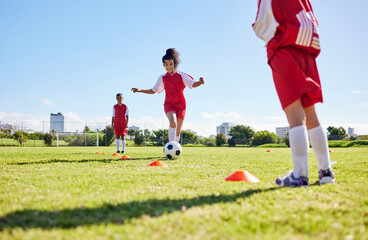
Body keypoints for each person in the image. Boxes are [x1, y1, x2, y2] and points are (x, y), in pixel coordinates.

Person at [252, 0, 334, 187]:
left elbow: (262, 25)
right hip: (306, 52)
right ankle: (326, 172)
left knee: (295, 117)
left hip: (284, 51)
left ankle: (300, 175)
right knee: (311, 115)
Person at [131, 48, 204, 143]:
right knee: (173, 123)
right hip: (169, 104)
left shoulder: (182, 75)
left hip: (181, 105)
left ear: (175, 64)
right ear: (163, 65)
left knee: (178, 130)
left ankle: (175, 147)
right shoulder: (163, 78)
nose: (168, 67)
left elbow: (193, 84)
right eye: (166, 65)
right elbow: (153, 90)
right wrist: (140, 90)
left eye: (171, 64)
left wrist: (200, 82)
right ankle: (170, 145)